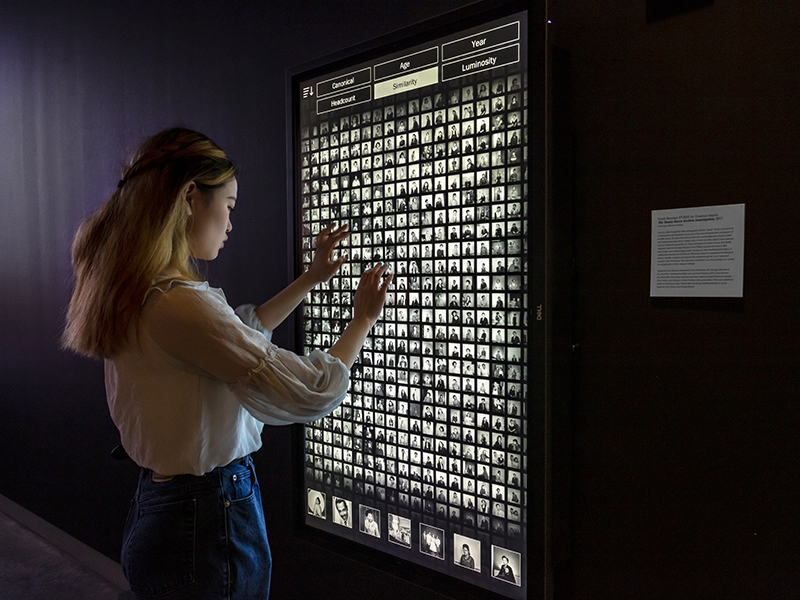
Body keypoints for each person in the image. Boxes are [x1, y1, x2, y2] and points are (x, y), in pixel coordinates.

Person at [62, 128, 392, 600]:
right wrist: (361, 320)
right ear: (191, 196)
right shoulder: (176, 302)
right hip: (205, 520)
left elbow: (239, 334)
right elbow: (312, 389)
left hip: (164, 508)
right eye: (230, 206)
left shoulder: (136, 289)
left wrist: (312, 278)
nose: (231, 222)